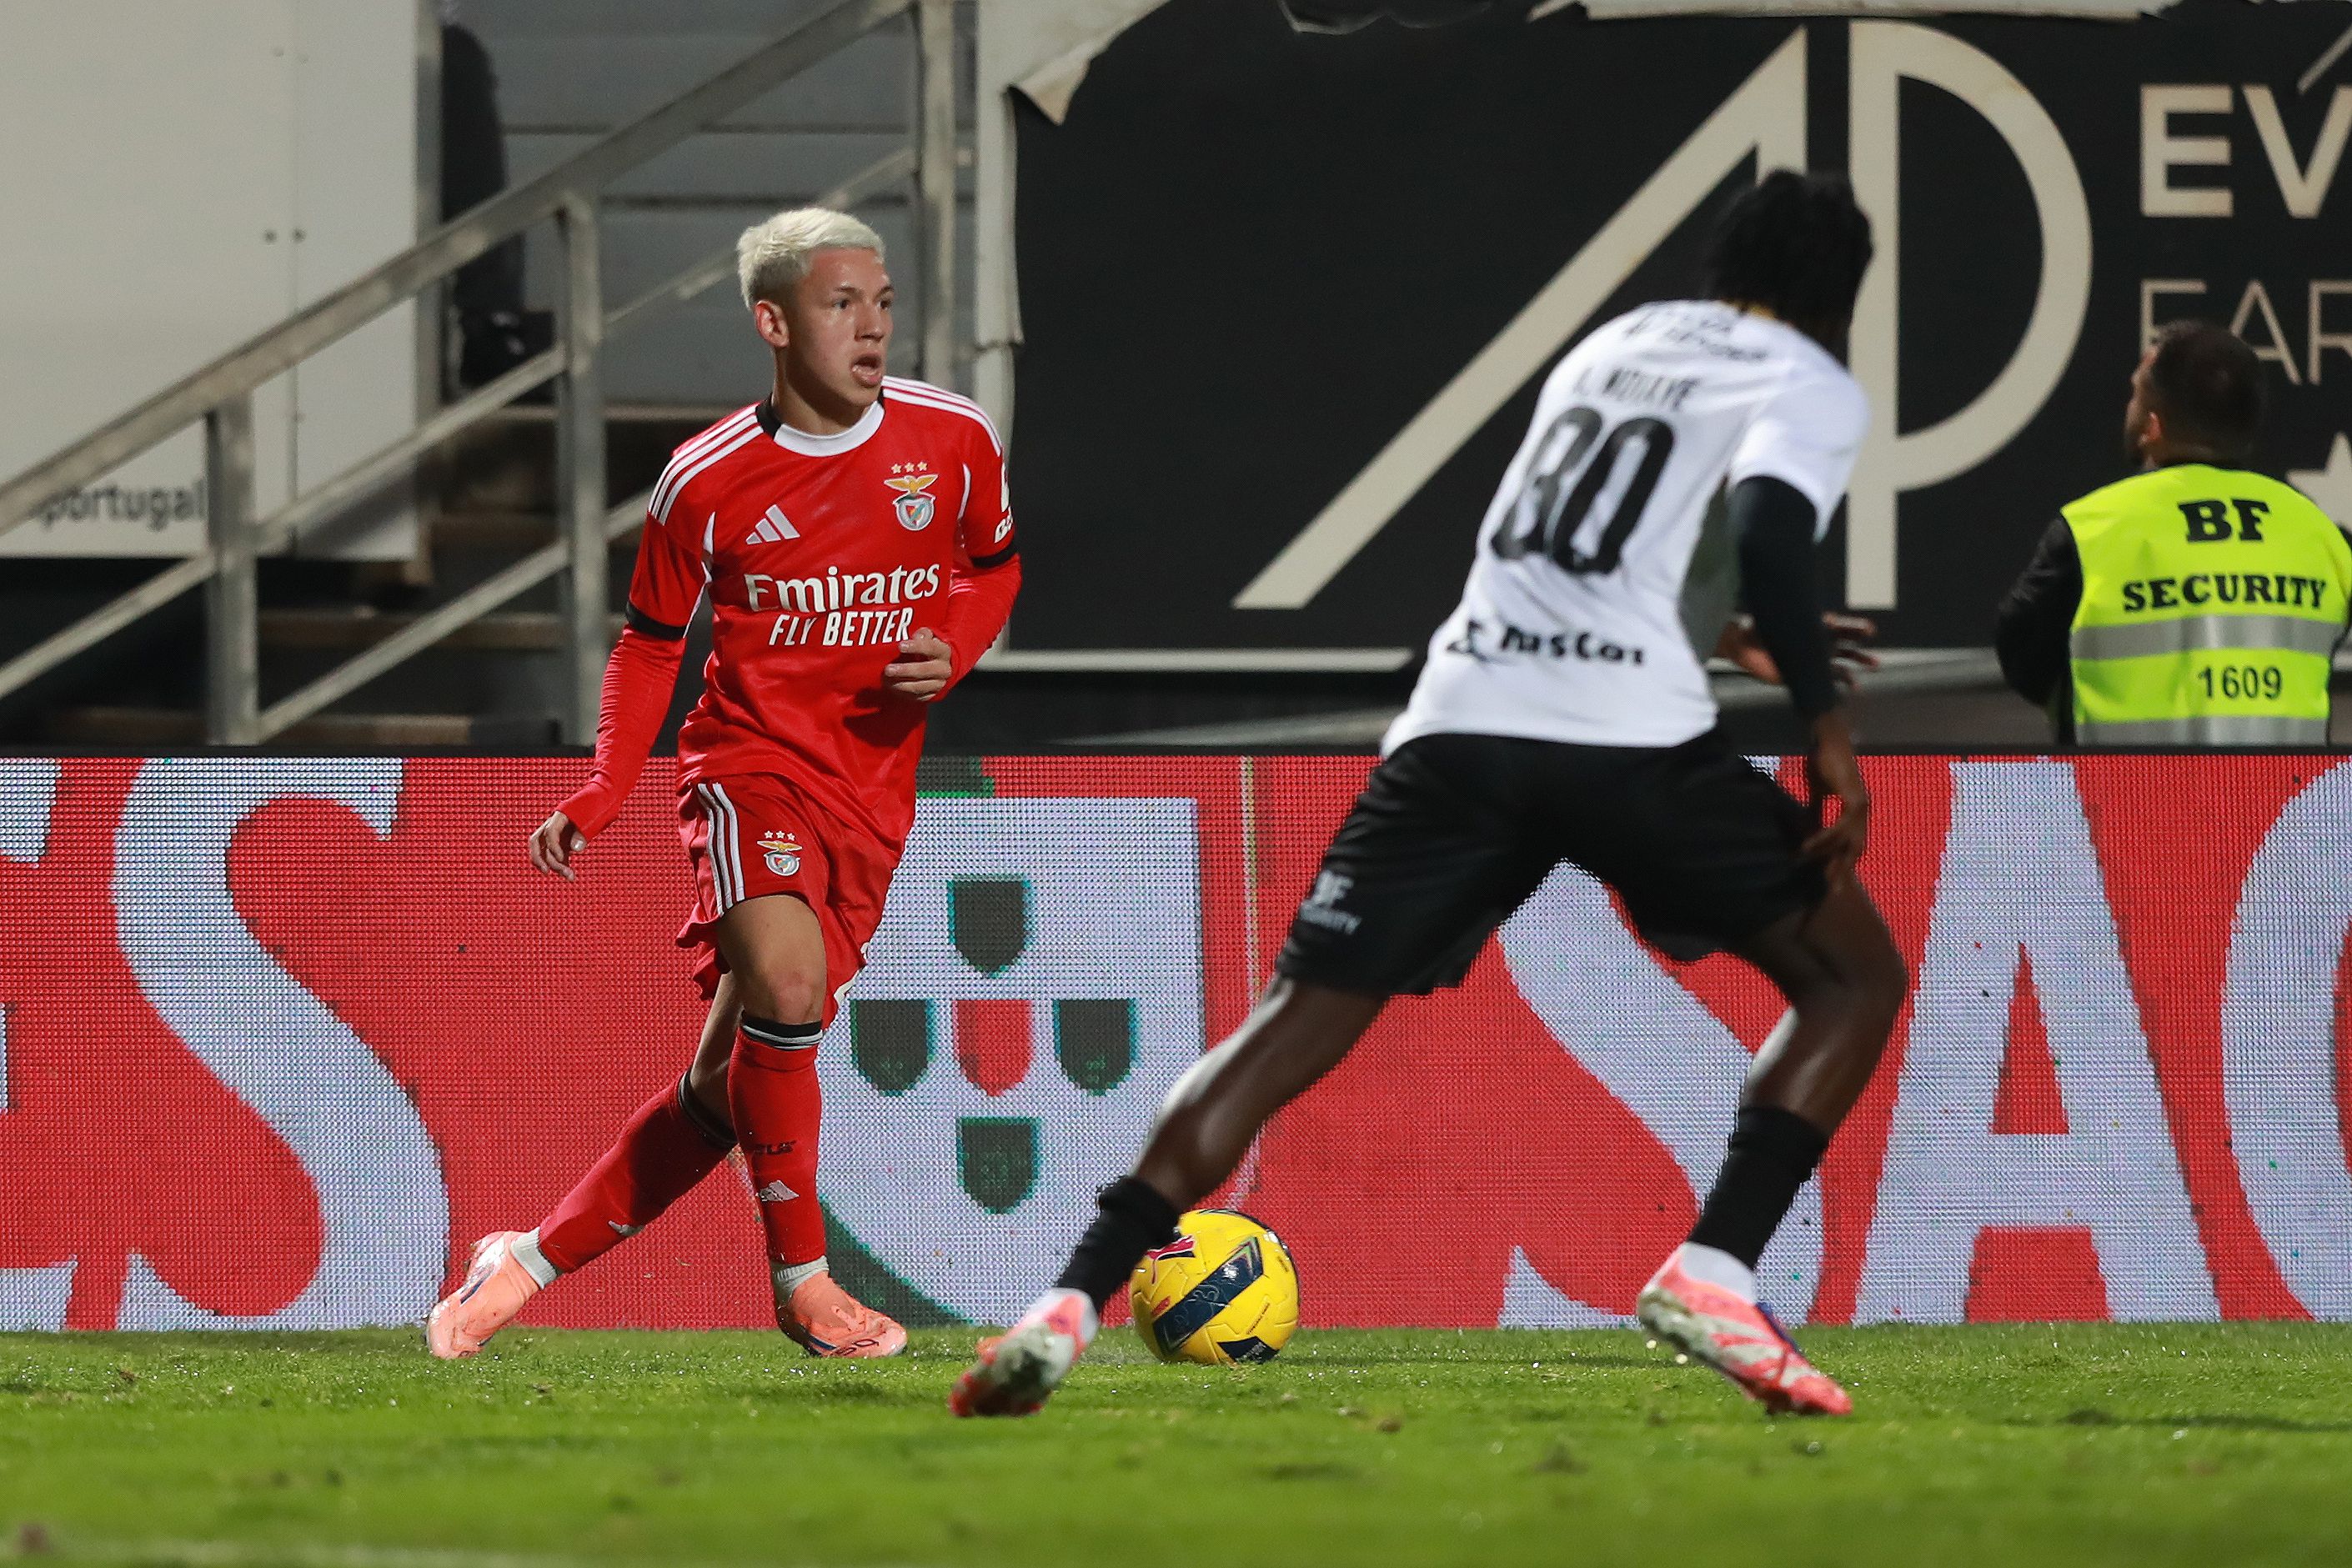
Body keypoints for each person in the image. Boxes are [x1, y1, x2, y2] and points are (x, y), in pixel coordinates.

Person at [954, 170, 1907, 1420]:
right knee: (1854, 977)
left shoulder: (1614, 345)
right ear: (1839, 295)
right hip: (1623, 742)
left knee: (1287, 1025)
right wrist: (1829, 735)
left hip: (1460, 719)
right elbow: (1774, 532)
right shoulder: (1808, 383)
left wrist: (1722, 631)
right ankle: (1714, 1264)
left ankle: (1068, 1300)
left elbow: (1578, 541)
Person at [425, 207, 1021, 1359]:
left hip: (872, 791)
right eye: (841, 303)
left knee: (723, 1084)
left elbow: (992, 566)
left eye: (882, 302)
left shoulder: (952, 439)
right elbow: (651, 643)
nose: (872, 327)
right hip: (747, 771)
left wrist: (956, 642)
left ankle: (526, 1259)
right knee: (788, 990)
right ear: (773, 320)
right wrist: (606, 787)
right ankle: (803, 1282)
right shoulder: (706, 479)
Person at [1996, 321, 2351, 744]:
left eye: (2135, 392)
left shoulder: (2092, 528)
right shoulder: (2319, 532)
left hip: (2128, 803)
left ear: (2153, 426)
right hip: (2288, 805)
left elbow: (2022, 655)